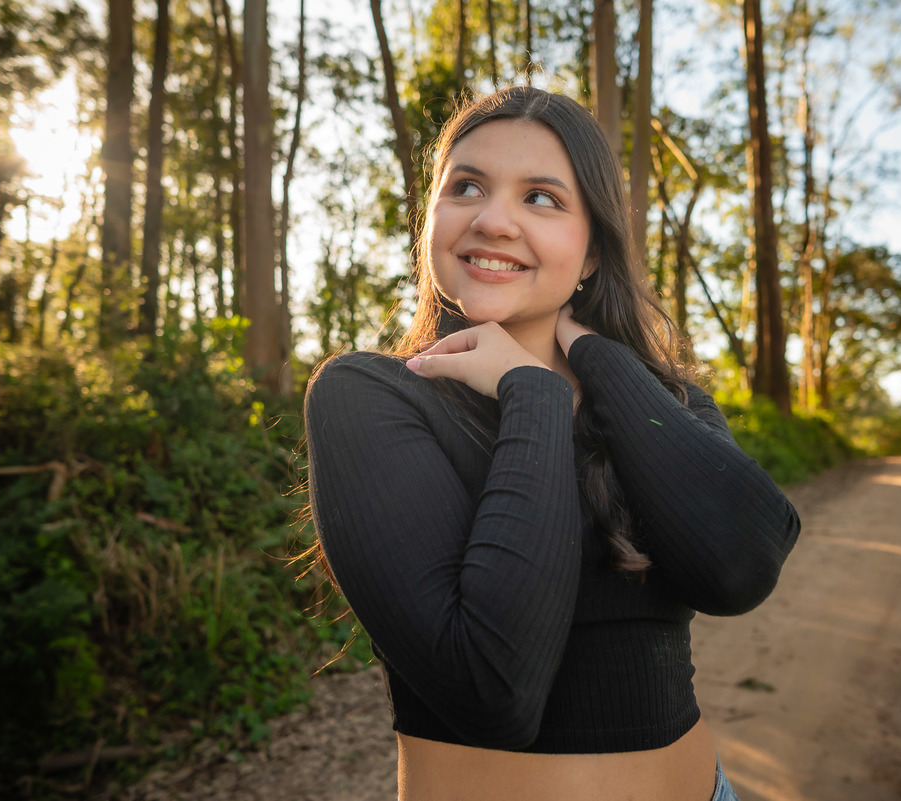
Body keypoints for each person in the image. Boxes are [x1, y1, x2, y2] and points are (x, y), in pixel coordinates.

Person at [304, 85, 800, 801]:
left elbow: (742, 567)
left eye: (541, 197)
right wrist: (530, 392)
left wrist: (601, 362)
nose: (494, 219)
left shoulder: (666, 402)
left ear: (593, 250)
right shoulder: (370, 395)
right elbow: (494, 689)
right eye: (466, 186)